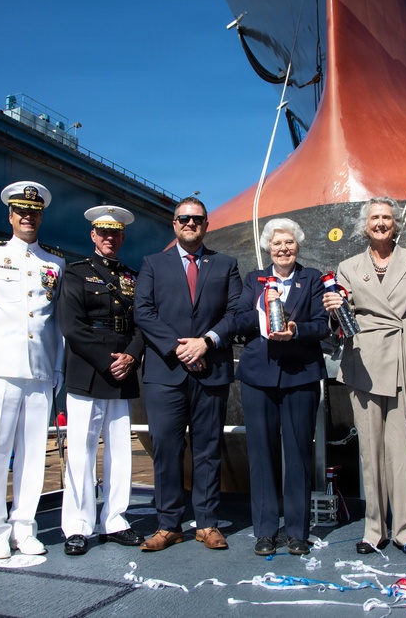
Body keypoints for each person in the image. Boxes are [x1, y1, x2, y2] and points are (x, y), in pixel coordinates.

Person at [322, 197, 406, 556]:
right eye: (374, 217)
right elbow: (341, 319)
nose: (380, 223)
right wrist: (333, 310)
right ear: (365, 225)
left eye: (387, 217)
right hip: (365, 361)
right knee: (370, 450)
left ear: (396, 224)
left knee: (405, 449)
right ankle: (374, 528)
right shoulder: (348, 267)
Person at [133, 197, 242, 552]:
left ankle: (207, 523)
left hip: (211, 370)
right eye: (183, 218)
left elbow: (236, 312)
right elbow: (143, 311)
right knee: (166, 449)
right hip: (166, 373)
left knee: (208, 449)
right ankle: (168, 525)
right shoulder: (152, 264)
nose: (190, 223)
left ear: (206, 224)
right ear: (174, 224)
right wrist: (179, 348)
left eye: (197, 219)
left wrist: (206, 342)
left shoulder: (226, 265)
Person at [0, 181, 65, 559]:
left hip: (40, 370)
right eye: (21, 211)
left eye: (34, 212)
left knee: (33, 454)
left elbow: (55, 322)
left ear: (41, 217)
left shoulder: (54, 263)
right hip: (1, 368)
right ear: (10, 216)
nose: (28, 217)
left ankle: (24, 526)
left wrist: (57, 367)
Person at [233, 218, 329, 557]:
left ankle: (297, 532)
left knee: (299, 454)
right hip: (258, 377)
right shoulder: (253, 280)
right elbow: (239, 320)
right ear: (268, 248)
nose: (283, 249)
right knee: (261, 455)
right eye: (277, 244)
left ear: (298, 245)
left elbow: (323, 325)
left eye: (289, 242)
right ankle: (265, 531)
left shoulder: (313, 278)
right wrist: (262, 306)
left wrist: (296, 330)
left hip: (300, 375)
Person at [57, 205, 144, 556]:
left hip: (124, 368)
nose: (110, 238)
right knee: (81, 451)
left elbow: (142, 323)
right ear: (93, 235)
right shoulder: (76, 273)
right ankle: (77, 526)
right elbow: (71, 325)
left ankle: (115, 520)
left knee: (121, 450)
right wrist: (109, 362)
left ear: (123, 237)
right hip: (89, 368)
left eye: (116, 233)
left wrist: (132, 356)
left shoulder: (133, 277)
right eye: (104, 232)